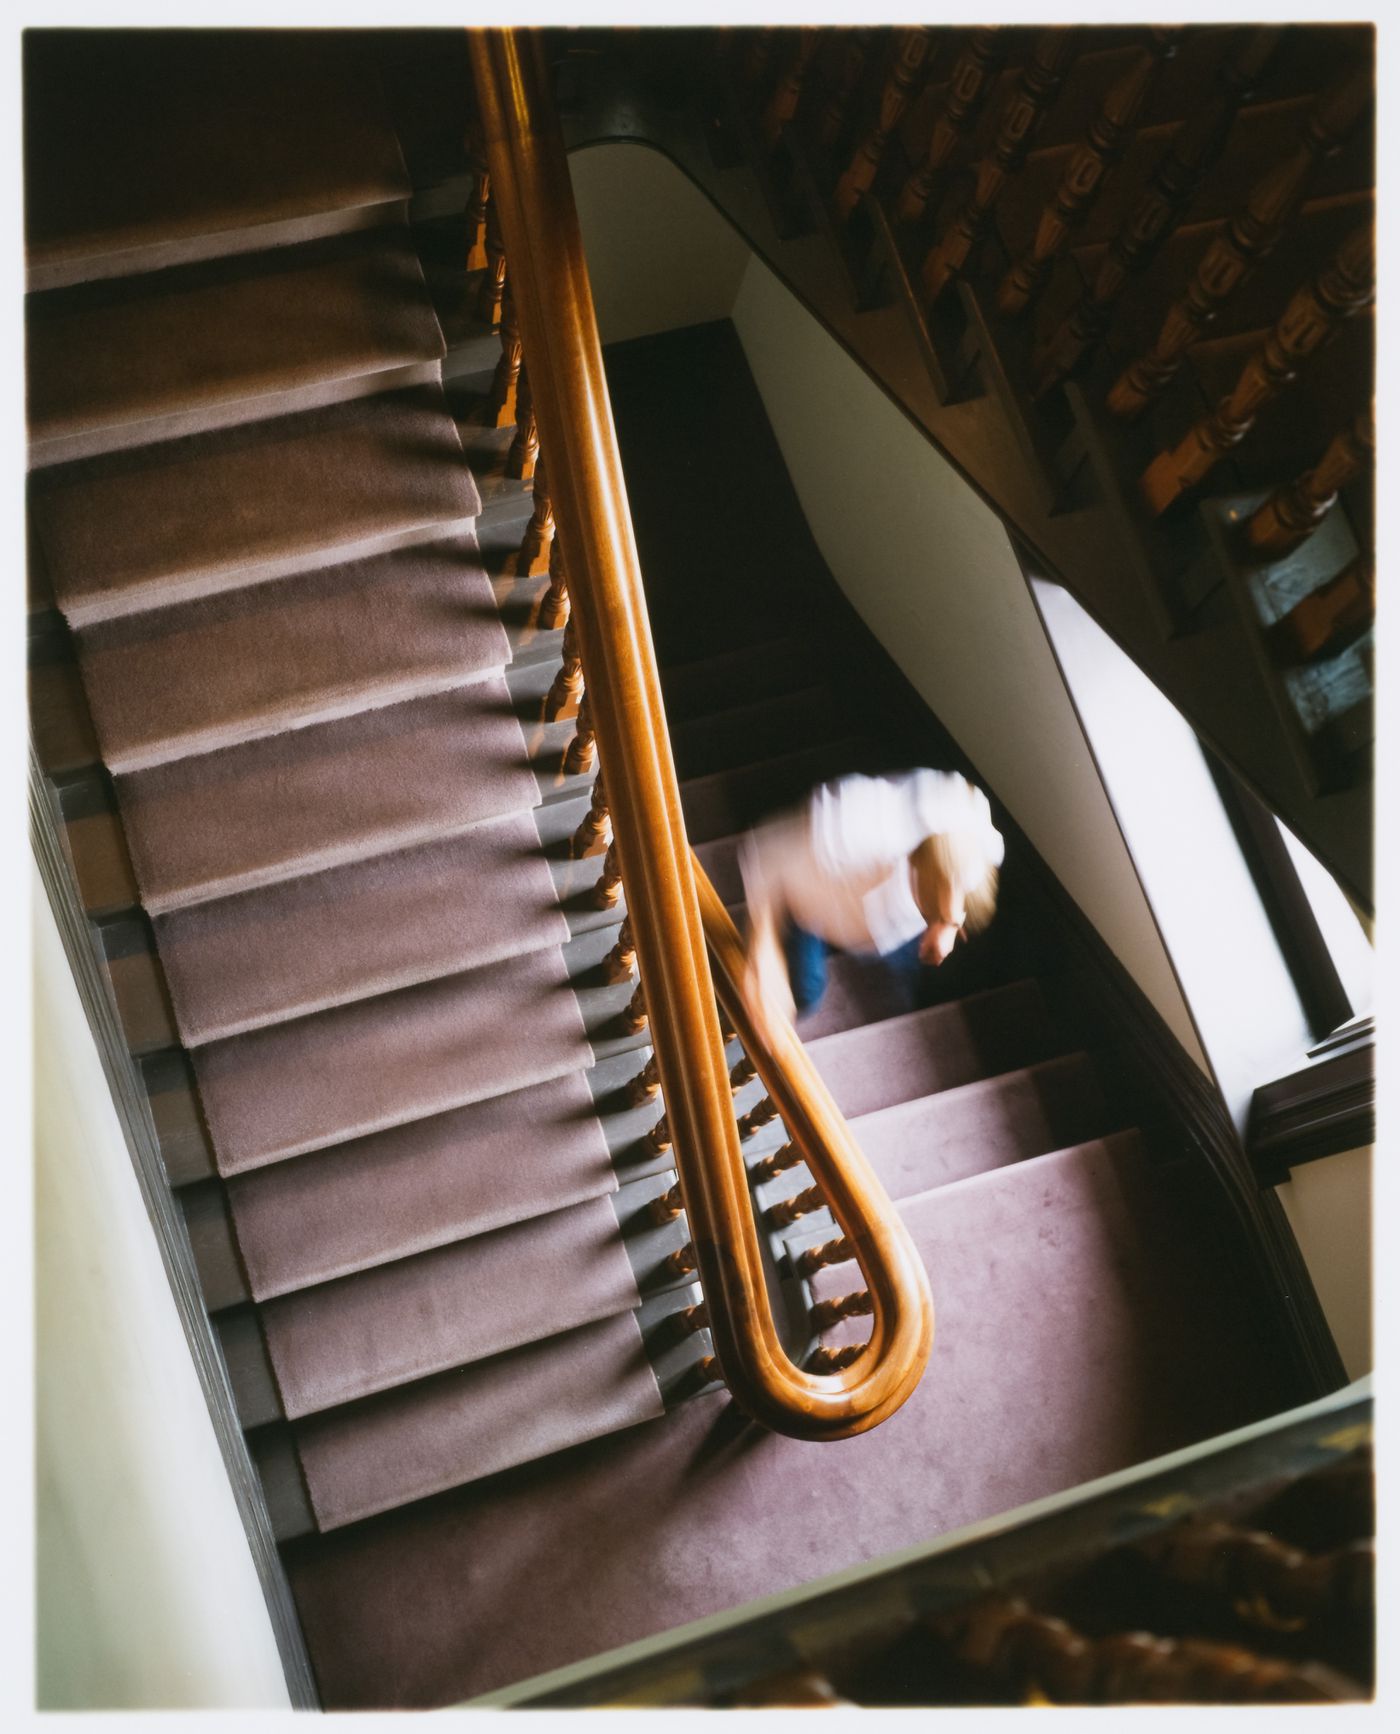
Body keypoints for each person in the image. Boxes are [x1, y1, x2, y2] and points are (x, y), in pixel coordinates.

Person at [738, 768, 1003, 1046]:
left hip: (858, 910)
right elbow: (766, 856)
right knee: (806, 990)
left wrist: (947, 922)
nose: (925, 922)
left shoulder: (965, 835)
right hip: (805, 897)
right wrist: (763, 953)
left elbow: (963, 844)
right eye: (927, 912)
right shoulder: (853, 835)